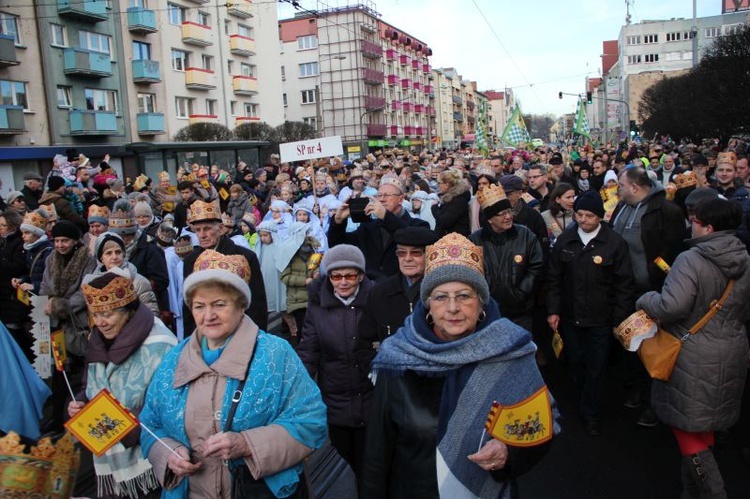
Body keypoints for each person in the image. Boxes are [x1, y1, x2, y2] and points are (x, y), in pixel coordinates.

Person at [361, 233, 556, 499]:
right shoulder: (398, 357)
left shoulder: (512, 350)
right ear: (427, 305)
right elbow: (377, 451)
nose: (452, 308)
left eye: (464, 295)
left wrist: (510, 452)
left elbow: (541, 426)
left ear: (481, 302)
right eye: (441, 297)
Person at [139, 250, 327, 498]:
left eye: (219, 304)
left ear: (241, 306)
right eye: (199, 306)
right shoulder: (175, 358)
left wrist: (247, 444)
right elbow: (150, 423)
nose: (208, 316)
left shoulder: (275, 354)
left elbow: (311, 421)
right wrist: (168, 452)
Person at [635, 198, 749, 498]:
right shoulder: (745, 258)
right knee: (703, 426)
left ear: (707, 227)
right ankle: (692, 492)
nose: (691, 225)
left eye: (695, 221)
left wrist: (646, 298)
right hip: (732, 348)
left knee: (687, 427)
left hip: (691, 354)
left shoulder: (692, 259)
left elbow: (671, 306)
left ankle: (714, 492)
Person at [67, 273, 177, 498]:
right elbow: (89, 383)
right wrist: (79, 402)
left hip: (147, 456)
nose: (100, 323)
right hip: (104, 446)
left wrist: (128, 425)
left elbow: (173, 404)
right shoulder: (97, 338)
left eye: (107, 314)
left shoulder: (161, 344)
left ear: (129, 310)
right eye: (95, 315)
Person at [547, 191, 635, 436]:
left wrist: (619, 318)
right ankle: (581, 397)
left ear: (600, 217)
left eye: (589, 215)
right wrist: (553, 310)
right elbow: (554, 278)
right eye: (579, 214)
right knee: (576, 362)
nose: (583, 220)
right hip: (571, 315)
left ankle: (590, 413)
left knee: (596, 367)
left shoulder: (614, 243)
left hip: (601, 319)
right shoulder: (566, 240)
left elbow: (624, 284)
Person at [296, 244, 374, 482]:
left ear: (360, 275)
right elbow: (309, 350)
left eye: (349, 275)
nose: (343, 282)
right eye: (336, 276)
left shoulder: (376, 299)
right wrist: (298, 390)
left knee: (370, 466)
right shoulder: (317, 306)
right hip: (337, 397)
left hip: (372, 397)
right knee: (346, 449)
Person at [182, 199, 268, 332]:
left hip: (239, 331)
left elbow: (257, 303)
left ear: (221, 229)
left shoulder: (246, 256)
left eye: (207, 229)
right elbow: (189, 306)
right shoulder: (191, 260)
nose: (202, 235)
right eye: (197, 230)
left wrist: (257, 337)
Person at [328, 174, 429, 281]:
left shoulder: (418, 225)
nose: (382, 199)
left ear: (401, 199)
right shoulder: (368, 226)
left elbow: (412, 237)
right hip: (371, 290)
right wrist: (338, 222)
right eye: (379, 196)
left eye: (386, 195)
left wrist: (386, 217)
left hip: (403, 289)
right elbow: (338, 246)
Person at [471, 184, 544, 331]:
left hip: (521, 312)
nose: (508, 216)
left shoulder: (525, 235)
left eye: (509, 211)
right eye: (502, 213)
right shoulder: (475, 241)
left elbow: (537, 266)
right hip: (488, 312)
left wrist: (521, 292)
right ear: (490, 219)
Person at [358, 226, 439, 350]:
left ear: (429, 255)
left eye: (415, 253)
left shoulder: (442, 292)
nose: (407, 259)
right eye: (402, 253)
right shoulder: (380, 292)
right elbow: (364, 342)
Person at [83, 232, 160, 316]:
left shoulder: (139, 282)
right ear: (101, 258)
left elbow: (151, 314)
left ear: (123, 254)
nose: (114, 257)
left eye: (118, 252)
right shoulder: (91, 283)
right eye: (108, 253)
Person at [432, 169, 471, 237]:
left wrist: (434, 207)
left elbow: (444, 222)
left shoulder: (458, 200)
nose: (438, 185)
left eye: (439, 183)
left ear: (447, 185)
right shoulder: (450, 198)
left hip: (454, 242)